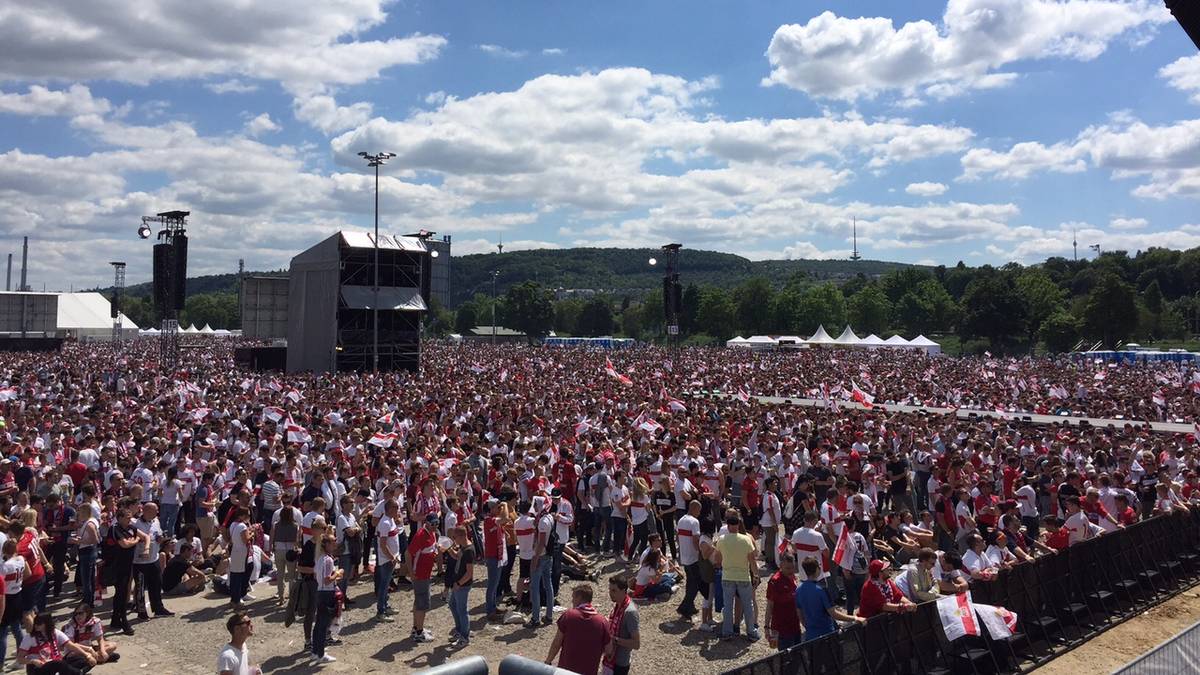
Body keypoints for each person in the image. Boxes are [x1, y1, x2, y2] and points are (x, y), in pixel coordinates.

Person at [796, 557, 866, 642]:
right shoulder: (822, 590)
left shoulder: (798, 590)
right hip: (827, 634)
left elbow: (800, 615)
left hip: (811, 636)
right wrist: (855, 618)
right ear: (817, 569)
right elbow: (834, 614)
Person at [545, 584, 609, 675]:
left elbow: (557, 643)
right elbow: (609, 650)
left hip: (565, 671)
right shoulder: (603, 622)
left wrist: (548, 662)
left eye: (573, 597)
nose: (572, 601)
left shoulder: (568, 616)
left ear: (579, 597)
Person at [715, 511, 760, 640]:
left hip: (728, 575)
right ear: (738, 525)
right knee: (748, 605)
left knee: (728, 606)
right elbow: (752, 559)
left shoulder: (722, 540)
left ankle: (727, 632)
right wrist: (756, 575)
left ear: (728, 526)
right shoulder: (746, 539)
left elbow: (718, 559)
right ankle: (751, 631)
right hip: (743, 576)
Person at [132, 502, 172, 619]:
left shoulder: (156, 521)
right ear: (146, 511)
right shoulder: (136, 524)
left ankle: (158, 608)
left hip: (154, 558)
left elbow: (158, 534)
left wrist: (160, 538)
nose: (157, 512)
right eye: (155, 510)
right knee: (140, 587)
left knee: (156, 584)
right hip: (140, 561)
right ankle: (141, 611)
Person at [16, 612, 89, 675]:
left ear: (47, 624)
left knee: (82, 659)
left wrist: (88, 655)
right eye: (35, 623)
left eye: (39, 624)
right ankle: (79, 673)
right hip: (38, 668)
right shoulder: (30, 637)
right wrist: (33, 661)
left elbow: (71, 645)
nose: (36, 626)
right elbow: (20, 659)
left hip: (55, 661)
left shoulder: (55, 632)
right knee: (59, 663)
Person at [407, 514, 439, 643]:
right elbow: (408, 554)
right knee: (422, 604)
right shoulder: (420, 536)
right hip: (419, 575)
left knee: (418, 602)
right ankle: (419, 633)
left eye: (437, 523)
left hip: (426, 573)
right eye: (433, 524)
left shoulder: (432, 533)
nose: (435, 526)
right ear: (426, 523)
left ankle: (416, 628)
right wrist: (411, 572)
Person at [311, 534, 339, 664]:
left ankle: (316, 651)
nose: (335, 544)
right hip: (327, 593)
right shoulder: (328, 560)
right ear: (326, 544)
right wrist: (338, 574)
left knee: (318, 624)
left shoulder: (320, 558)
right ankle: (321, 654)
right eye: (333, 542)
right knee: (323, 625)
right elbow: (327, 580)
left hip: (320, 592)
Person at [603, 573, 640, 675]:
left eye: (614, 590)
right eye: (609, 590)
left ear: (623, 590)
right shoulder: (618, 605)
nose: (610, 593)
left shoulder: (630, 612)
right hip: (610, 659)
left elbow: (636, 644)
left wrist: (613, 639)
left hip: (620, 664)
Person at [764, 553, 802, 650]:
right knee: (786, 658)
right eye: (787, 568)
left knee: (797, 654)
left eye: (792, 568)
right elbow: (769, 605)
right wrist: (767, 627)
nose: (791, 571)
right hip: (781, 627)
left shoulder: (793, 577)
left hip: (795, 624)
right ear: (780, 566)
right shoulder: (775, 582)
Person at [373, 499, 402, 622]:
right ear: (390, 508)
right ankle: (381, 611)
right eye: (396, 507)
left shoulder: (390, 521)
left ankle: (385, 605)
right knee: (384, 586)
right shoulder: (385, 523)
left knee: (386, 585)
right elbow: (383, 544)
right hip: (387, 559)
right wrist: (391, 557)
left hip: (391, 558)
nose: (398, 510)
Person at [447, 525, 474, 646]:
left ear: (462, 536)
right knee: (453, 605)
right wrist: (448, 549)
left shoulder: (469, 551)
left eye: (455, 537)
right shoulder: (463, 547)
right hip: (457, 583)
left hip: (462, 585)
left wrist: (459, 583)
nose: (454, 539)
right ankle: (460, 630)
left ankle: (465, 637)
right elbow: (457, 556)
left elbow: (469, 573)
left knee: (462, 610)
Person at [0, 539, 26, 666]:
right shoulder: (21, 559)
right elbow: (28, 573)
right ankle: (21, 657)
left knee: (3, 632)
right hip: (18, 594)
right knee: (17, 628)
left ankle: (0, 663)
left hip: (7, 597)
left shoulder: (5, 566)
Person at [482, 500, 505, 621]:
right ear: (491, 509)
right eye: (498, 507)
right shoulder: (488, 520)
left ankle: (493, 606)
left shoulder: (493, 519)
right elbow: (504, 519)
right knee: (492, 584)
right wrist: (505, 506)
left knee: (495, 583)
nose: (500, 509)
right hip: (492, 556)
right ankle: (489, 611)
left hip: (498, 554)